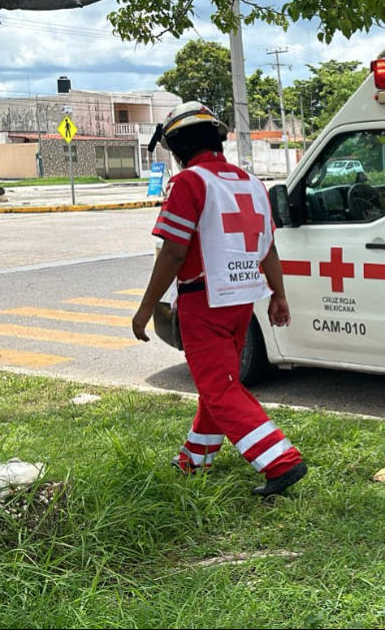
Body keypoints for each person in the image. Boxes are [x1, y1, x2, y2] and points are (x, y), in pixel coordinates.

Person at [131, 101, 307, 497]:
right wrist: (279, 296)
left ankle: (281, 460)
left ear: (178, 148)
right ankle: (194, 461)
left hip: (203, 301)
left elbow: (174, 252)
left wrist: (145, 308)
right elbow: (269, 250)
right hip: (242, 301)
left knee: (218, 387)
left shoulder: (189, 183)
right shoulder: (251, 182)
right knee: (219, 382)